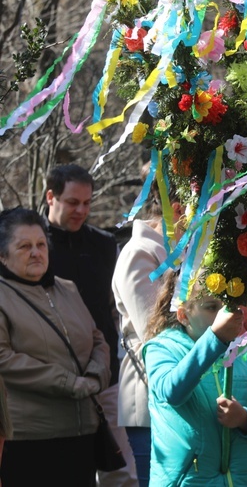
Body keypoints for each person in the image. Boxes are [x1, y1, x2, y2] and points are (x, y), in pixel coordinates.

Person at [0, 207, 110, 486]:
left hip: (82, 432)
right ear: (2, 255)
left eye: (40, 244)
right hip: (30, 438)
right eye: (24, 246)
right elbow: (3, 358)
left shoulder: (67, 288)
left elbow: (97, 338)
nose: (36, 252)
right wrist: (68, 383)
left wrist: (97, 374)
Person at [143, 270, 247, 486]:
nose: (223, 314)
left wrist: (245, 419)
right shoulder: (162, 348)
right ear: (183, 315)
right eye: (211, 307)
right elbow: (172, 392)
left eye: (227, 306)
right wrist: (215, 339)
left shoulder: (243, 354)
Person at [44, 163, 137, 485]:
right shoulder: (34, 246)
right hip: (52, 377)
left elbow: (115, 308)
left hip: (105, 375)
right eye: (73, 202)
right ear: (50, 197)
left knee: (120, 470)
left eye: (87, 202)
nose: (81, 210)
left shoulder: (103, 245)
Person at [112, 165, 184, 485]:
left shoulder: (185, 247)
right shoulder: (139, 253)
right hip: (150, 400)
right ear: (178, 205)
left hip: (185, 390)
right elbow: (155, 334)